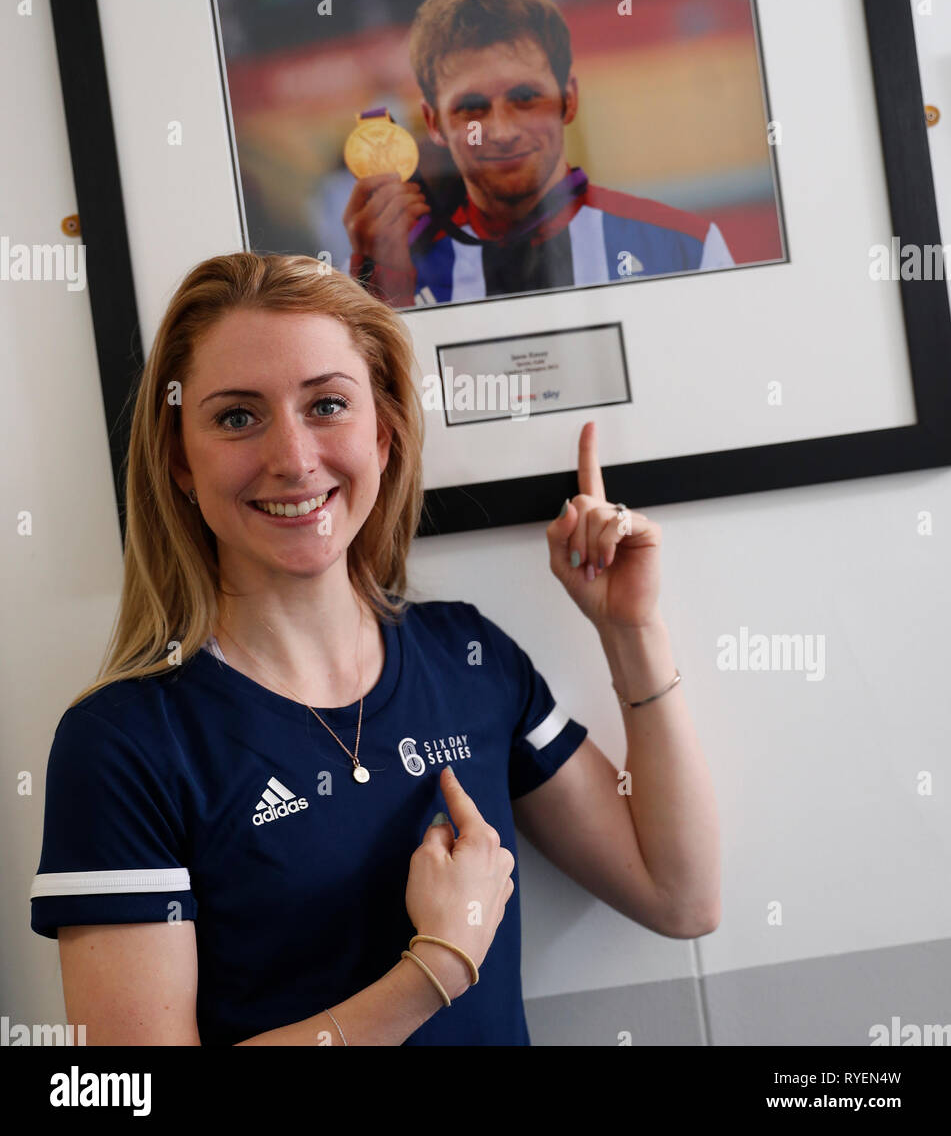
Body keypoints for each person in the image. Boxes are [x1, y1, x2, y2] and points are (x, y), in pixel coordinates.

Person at [29, 252, 719, 1046]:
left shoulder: (468, 656)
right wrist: (438, 967)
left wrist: (629, 629)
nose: (292, 458)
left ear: (384, 434)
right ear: (181, 460)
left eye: (326, 404)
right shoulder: (124, 745)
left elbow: (681, 897)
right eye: (236, 416)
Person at [344, 0, 735, 307]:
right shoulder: (394, 273)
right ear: (434, 123)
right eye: (472, 107)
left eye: (525, 98)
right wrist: (376, 281)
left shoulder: (688, 249)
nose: (501, 131)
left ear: (569, 99)